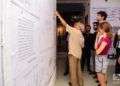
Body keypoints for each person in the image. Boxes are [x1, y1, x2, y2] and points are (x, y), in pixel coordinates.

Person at [55, 11, 84, 86]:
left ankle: (74, 84)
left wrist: (58, 15)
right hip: (78, 54)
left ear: (78, 26)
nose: (74, 24)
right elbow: (82, 45)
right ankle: (80, 84)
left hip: (73, 54)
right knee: (78, 71)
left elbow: (65, 24)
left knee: (73, 72)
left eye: (76, 24)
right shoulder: (81, 34)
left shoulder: (75, 31)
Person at [95, 22, 112, 86]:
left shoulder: (105, 39)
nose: (98, 29)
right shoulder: (104, 37)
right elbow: (95, 47)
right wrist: (97, 37)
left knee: (101, 80)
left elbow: (97, 51)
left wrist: (97, 48)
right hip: (102, 58)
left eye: (99, 28)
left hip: (101, 58)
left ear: (103, 29)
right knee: (103, 79)